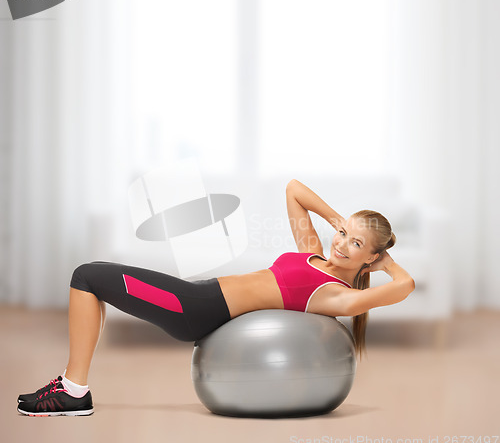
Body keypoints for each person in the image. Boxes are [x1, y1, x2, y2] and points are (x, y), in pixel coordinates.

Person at [17, 179, 415, 417]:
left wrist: (387, 265)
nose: (342, 245)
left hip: (194, 309)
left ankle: (72, 391)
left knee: (86, 276)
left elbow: (405, 286)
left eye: (356, 243)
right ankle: (72, 388)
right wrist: (339, 221)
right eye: (343, 234)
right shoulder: (314, 252)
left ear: (372, 256)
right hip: (200, 294)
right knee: (90, 278)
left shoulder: (334, 296)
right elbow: (294, 190)